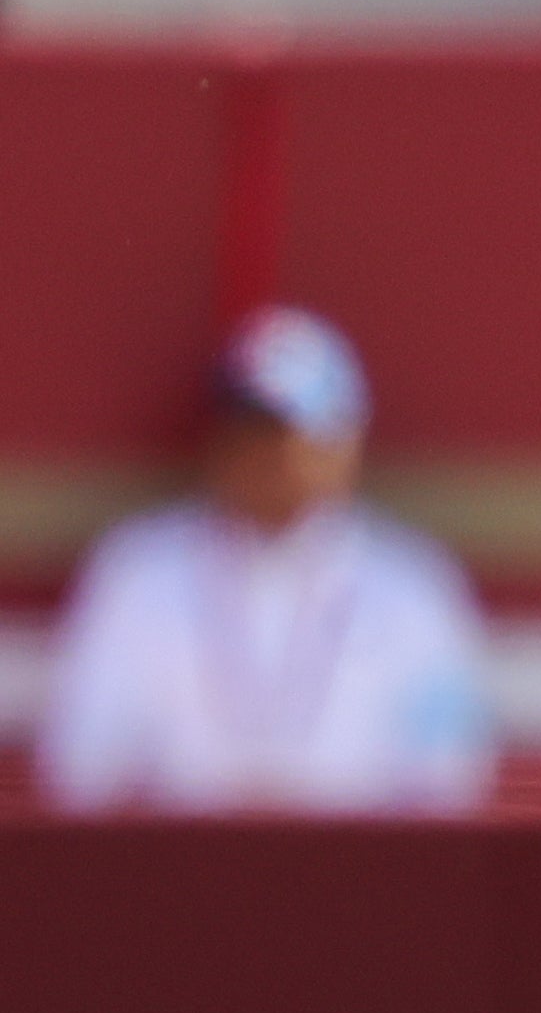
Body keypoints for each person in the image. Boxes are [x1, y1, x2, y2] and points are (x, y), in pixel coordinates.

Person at [36, 307, 492, 816]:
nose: (270, 457)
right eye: (250, 431)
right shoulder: (139, 574)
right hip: (176, 878)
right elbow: (81, 769)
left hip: (358, 880)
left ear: (346, 443)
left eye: (291, 435)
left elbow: (449, 781)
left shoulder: (412, 589)